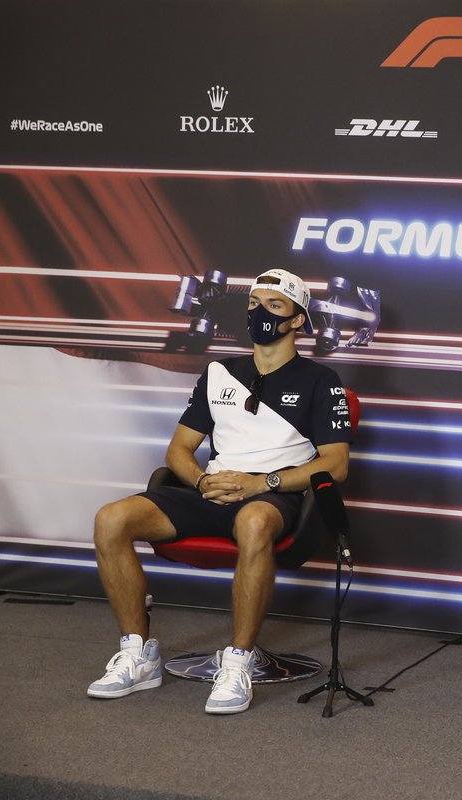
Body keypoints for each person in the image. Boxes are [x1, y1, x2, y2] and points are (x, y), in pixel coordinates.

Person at [88, 269, 353, 714]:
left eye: (273, 306)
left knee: (252, 520)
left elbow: (336, 464)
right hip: (209, 490)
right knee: (110, 518)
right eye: (253, 304)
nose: (259, 313)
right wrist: (201, 481)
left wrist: (259, 484)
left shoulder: (321, 380)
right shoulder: (219, 373)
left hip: (273, 494)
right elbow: (179, 449)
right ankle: (138, 654)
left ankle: (238, 662)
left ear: (297, 321)